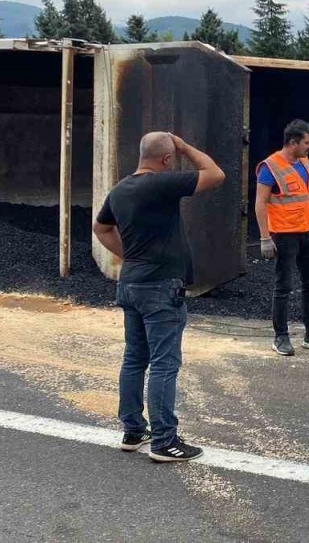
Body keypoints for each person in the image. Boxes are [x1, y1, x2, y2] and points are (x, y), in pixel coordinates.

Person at [93, 131, 225, 462]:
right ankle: (165, 441)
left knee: (134, 358)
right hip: (160, 287)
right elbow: (215, 174)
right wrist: (185, 147)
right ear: (166, 159)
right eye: (171, 158)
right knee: (164, 363)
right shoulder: (161, 184)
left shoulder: (120, 189)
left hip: (131, 283)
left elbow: (101, 228)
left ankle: (133, 430)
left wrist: (130, 256)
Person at [255, 119, 309, 356]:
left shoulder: (304, 161)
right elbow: (260, 203)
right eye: (307, 143)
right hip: (284, 235)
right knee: (283, 286)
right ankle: (281, 337)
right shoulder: (270, 167)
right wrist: (265, 238)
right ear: (293, 142)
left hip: (308, 232)